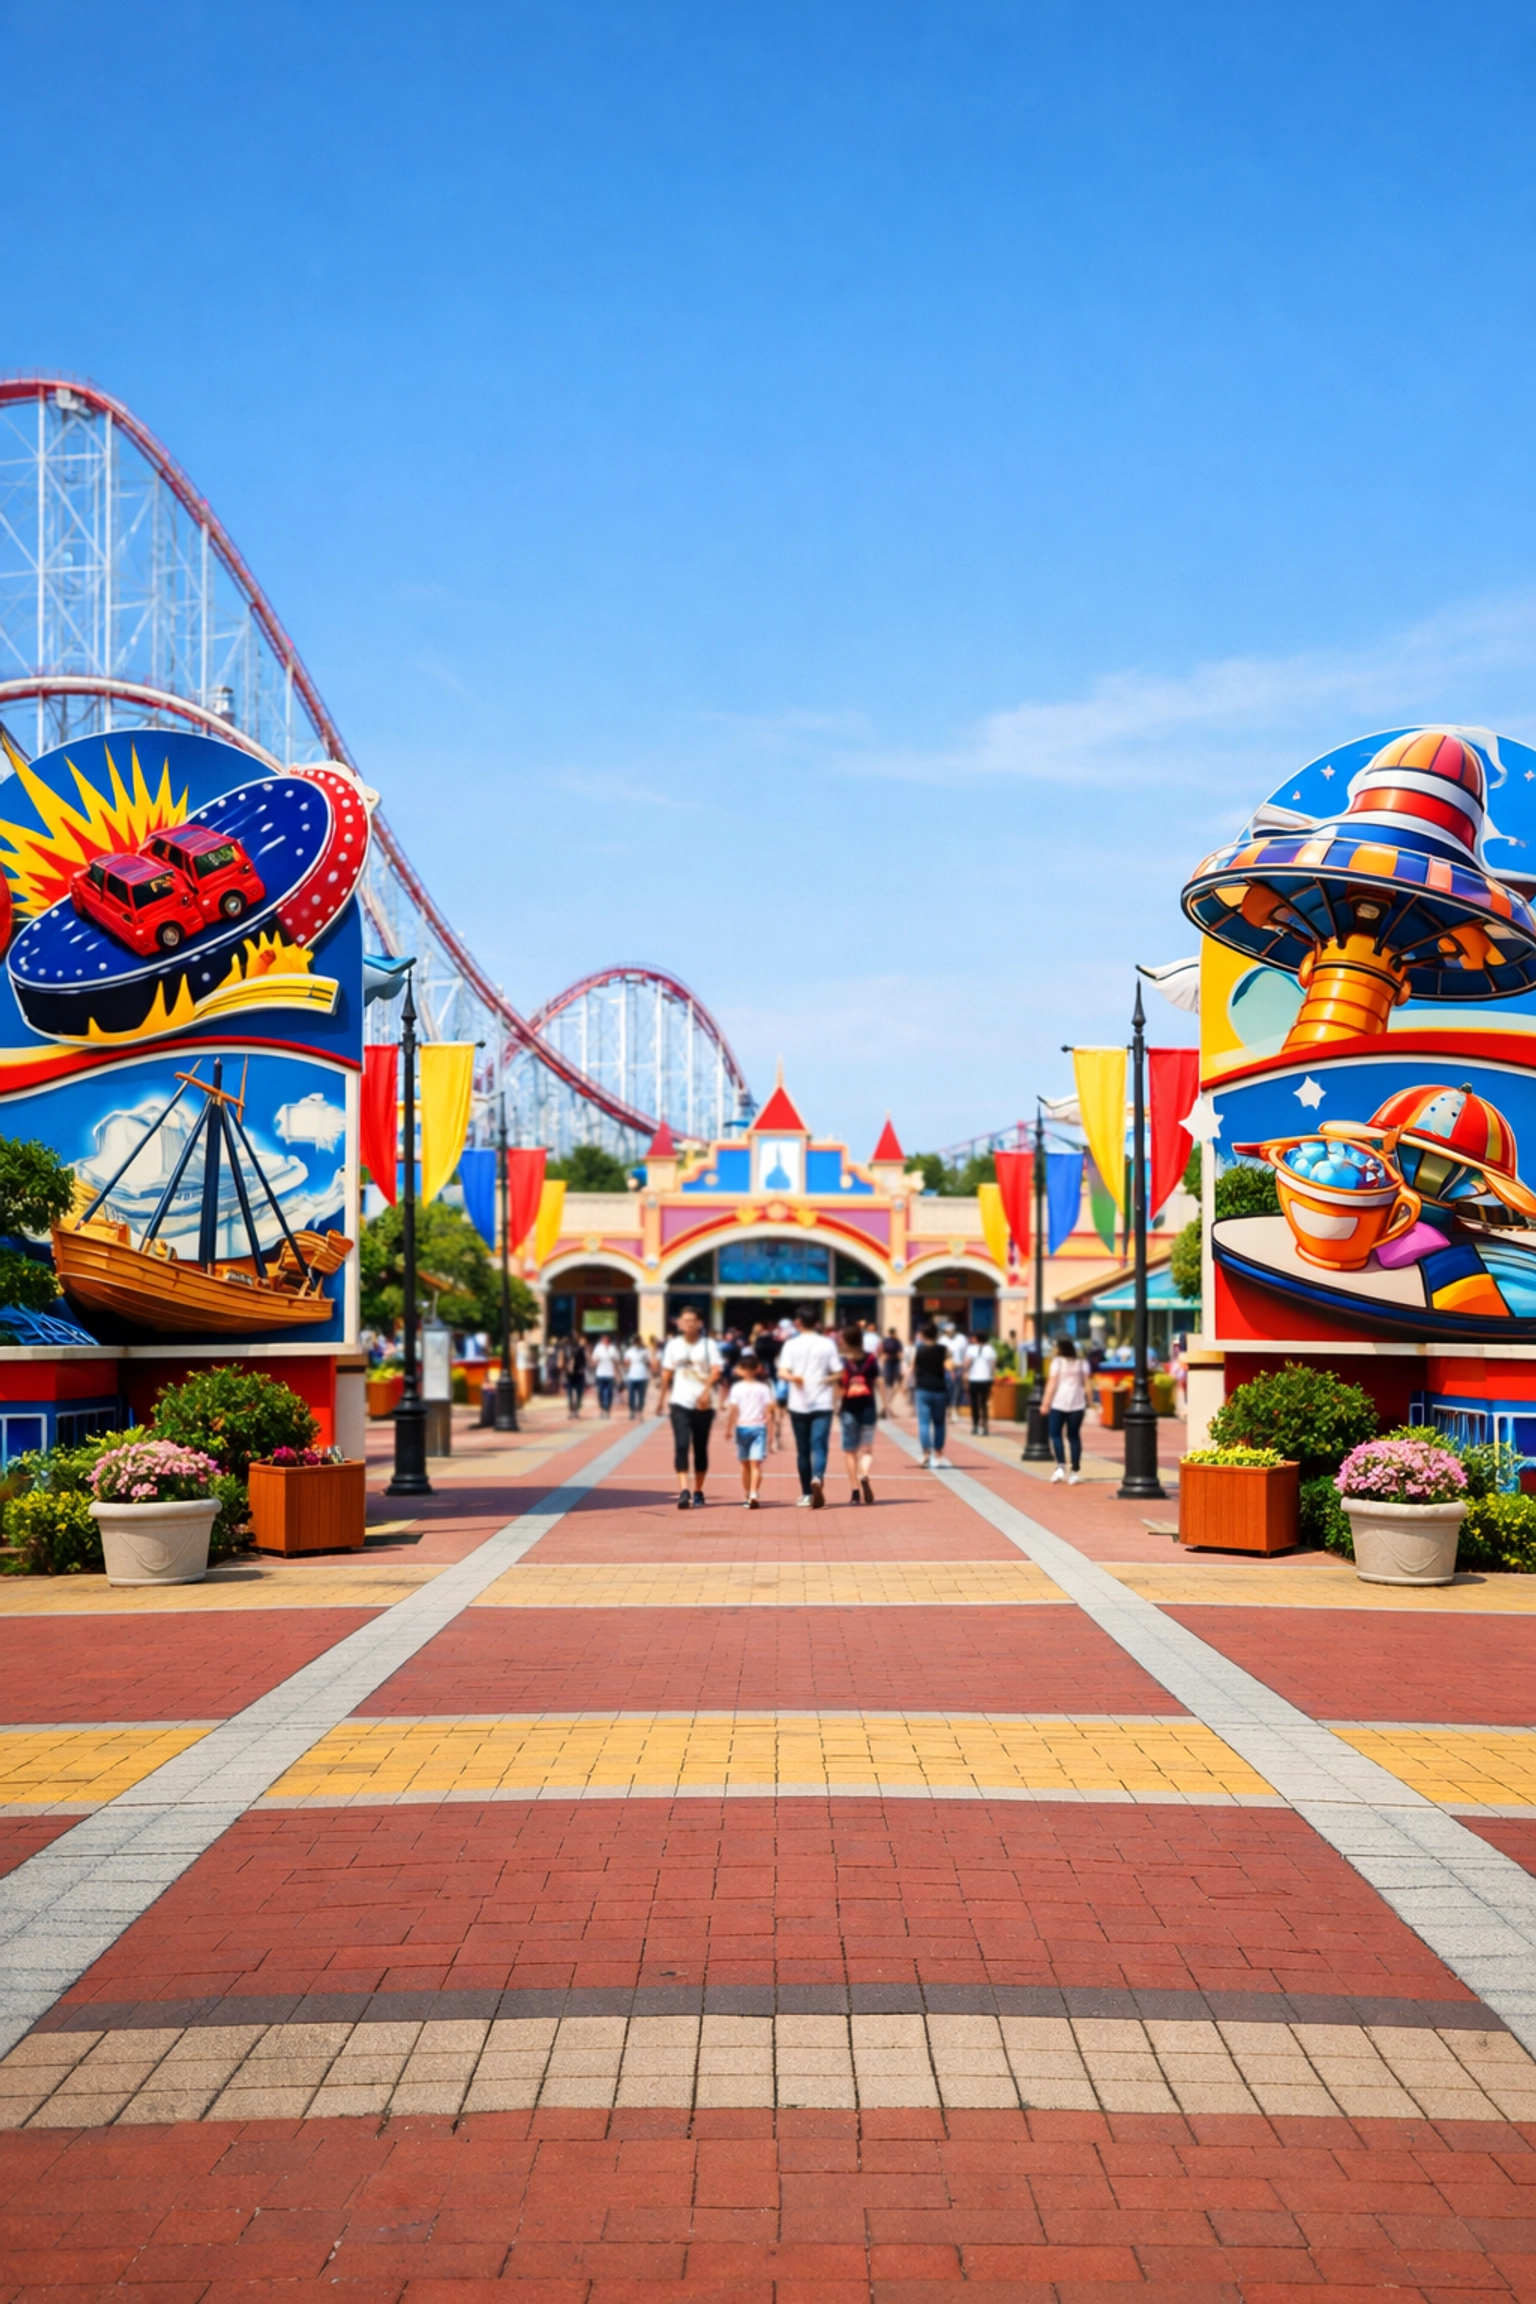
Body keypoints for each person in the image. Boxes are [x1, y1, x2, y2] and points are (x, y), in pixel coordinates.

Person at [659, 1307, 723, 1509]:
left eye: (692, 1320)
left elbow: (716, 1372)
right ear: (679, 1323)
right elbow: (666, 1374)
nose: (688, 1324)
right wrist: (661, 1400)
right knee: (681, 1445)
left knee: (700, 1447)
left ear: (699, 1323)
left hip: (703, 1404)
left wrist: (705, 1395)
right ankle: (684, 1490)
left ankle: (698, 1490)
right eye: (684, 1320)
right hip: (679, 1402)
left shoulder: (708, 1344)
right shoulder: (673, 1346)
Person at [778, 1303, 842, 1507]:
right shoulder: (827, 1344)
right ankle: (817, 1477)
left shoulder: (791, 1345)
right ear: (817, 1323)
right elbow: (839, 1371)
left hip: (798, 1403)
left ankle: (806, 1493)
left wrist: (794, 1378)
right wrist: (827, 1380)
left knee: (803, 1450)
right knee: (820, 1446)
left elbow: (782, 1372)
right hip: (822, 1403)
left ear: (797, 1322)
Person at [723, 1349, 774, 1507]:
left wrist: (728, 1428)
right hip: (759, 1427)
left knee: (744, 1464)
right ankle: (753, 1493)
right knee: (755, 1464)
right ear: (757, 1368)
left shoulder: (737, 1388)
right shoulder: (764, 1388)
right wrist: (771, 1433)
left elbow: (733, 1410)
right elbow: (770, 1411)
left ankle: (748, 1494)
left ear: (741, 1369)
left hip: (742, 1427)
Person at [837, 1322, 880, 1503]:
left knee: (849, 1451)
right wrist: (886, 1404)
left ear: (845, 1341)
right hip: (868, 1407)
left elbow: (839, 1388)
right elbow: (879, 1382)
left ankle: (855, 1491)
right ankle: (864, 1473)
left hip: (848, 1408)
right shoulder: (871, 1359)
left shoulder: (842, 1362)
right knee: (867, 1449)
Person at [1041, 1334, 1090, 1482]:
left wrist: (1045, 1403)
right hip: (1077, 1403)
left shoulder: (1057, 1362)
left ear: (1060, 1349)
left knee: (1055, 1435)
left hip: (1058, 1403)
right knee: (1074, 1436)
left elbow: (1052, 1383)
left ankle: (1060, 1466)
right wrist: (1091, 1402)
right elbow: (1088, 1385)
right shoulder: (1082, 1363)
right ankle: (1074, 1470)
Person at [911, 1319, 952, 1468]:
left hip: (923, 1389)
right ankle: (939, 1453)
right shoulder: (943, 1349)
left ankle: (926, 1453)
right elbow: (949, 1367)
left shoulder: (919, 1349)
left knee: (923, 1423)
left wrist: (904, 1384)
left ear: (922, 1335)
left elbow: (911, 1368)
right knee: (939, 1423)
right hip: (939, 1389)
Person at [967, 1333, 997, 1434]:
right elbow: (993, 1364)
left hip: (974, 1378)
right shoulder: (990, 1349)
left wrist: (965, 1370)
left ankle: (975, 1425)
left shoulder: (971, 1349)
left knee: (974, 1403)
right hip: (986, 1378)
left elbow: (966, 1362)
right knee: (983, 1403)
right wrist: (992, 1374)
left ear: (976, 1339)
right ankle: (984, 1426)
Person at [622, 1334, 652, 1418]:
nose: (636, 1342)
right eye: (635, 1341)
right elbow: (626, 1363)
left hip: (642, 1375)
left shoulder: (645, 1351)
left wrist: (649, 1370)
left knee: (641, 1395)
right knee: (631, 1395)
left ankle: (640, 1410)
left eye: (638, 1340)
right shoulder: (629, 1351)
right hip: (632, 1375)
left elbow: (648, 1363)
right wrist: (626, 1366)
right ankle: (632, 1410)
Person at [590, 1333, 620, 1419]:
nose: (606, 1341)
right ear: (602, 1341)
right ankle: (602, 1409)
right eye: (604, 1340)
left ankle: (607, 1409)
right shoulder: (598, 1349)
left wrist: (618, 1374)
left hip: (610, 1374)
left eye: (607, 1340)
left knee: (609, 1393)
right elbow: (593, 1362)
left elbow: (616, 1362)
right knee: (600, 1393)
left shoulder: (613, 1349)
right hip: (600, 1374)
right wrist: (596, 1361)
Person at [879, 1327, 904, 1417]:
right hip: (894, 1363)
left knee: (888, 1384)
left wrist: (882, 1362)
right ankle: (888, 1405)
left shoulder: (886, 1341)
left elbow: (882, 1352)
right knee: (894, 1384)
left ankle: (886, 1406)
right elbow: (900, 1354)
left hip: (888, 1362)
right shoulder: (897, 1341)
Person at [948, 1329, 971, 1410]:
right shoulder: (943, 1340)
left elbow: (966, 1353)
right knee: (950, 1389)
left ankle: (956, 1406)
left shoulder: (961, 1339)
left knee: (958, 1389)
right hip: (948, 1369)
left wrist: (965, 1369)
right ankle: (951, 1407)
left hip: (959, 1368)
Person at [565, 1336, 587, 1418]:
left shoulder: (566, 1349)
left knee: (570, 1394)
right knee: (578, 1394)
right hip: (577, 1375)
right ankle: (575, 1411)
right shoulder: (580, 1349)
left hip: (570, 1375)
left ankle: (572, 1411)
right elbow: (583, 1363)